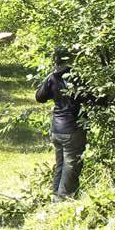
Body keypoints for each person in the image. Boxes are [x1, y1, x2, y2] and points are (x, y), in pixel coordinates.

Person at [35, 46, 94, 201]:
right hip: (72, 129)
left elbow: (39, 97)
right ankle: (63, 201)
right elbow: (96, 99)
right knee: (71, 166)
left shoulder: (53, 77)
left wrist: (49, 79)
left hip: (56, 128)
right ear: (72, 58)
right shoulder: (76, 78)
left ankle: (55, 197)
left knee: (61, 165)